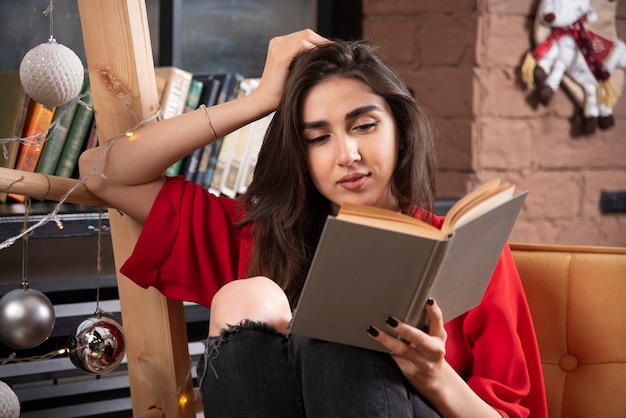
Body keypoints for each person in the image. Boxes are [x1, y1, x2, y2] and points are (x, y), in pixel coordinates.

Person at [79, 29, 548, 417]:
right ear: (300, 157)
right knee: (249, 294)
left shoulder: (465, 252)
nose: (347, 155)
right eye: (319, 138)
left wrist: (433, 374)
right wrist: (260, 101)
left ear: (400, 132)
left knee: (340, 330)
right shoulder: (259, 237)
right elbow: (102, 172)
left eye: (364, 126)